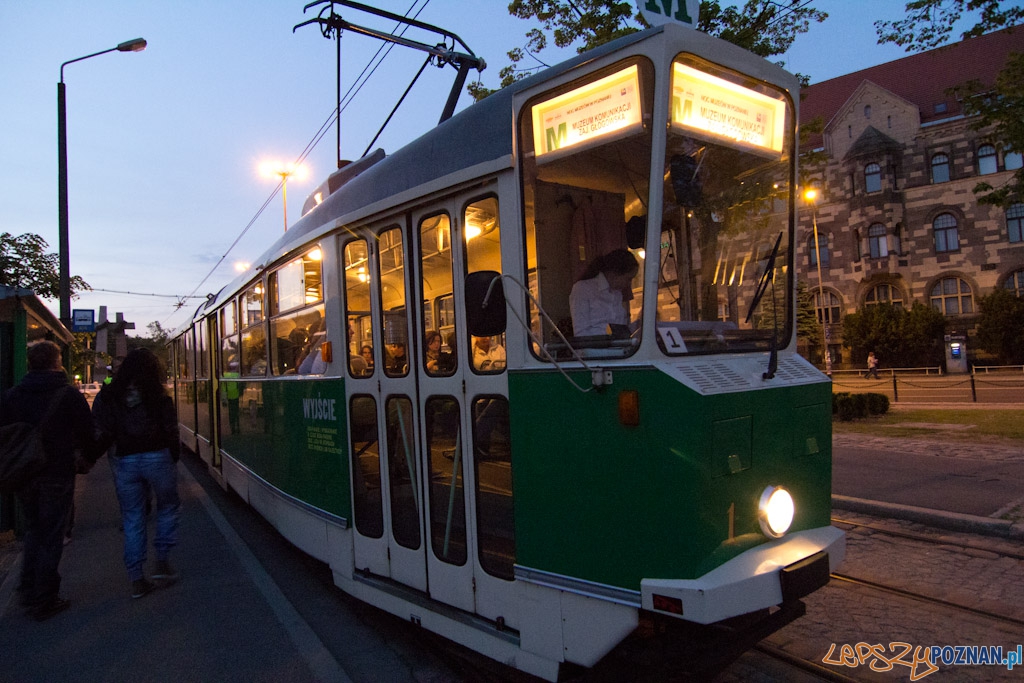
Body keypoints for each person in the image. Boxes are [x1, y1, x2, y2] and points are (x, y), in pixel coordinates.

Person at [0, 340, 100, 621]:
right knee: (52, 534)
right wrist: (87, 460)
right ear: (57, 363)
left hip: (23, 474)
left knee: (34, 530)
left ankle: (27, 589)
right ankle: (44, 599)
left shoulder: (11, 396)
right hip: (57, 472)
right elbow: (87, 432)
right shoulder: (67, 395)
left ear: (30, 363)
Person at [92, 347, 181, 600]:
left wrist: (91, 457)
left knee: (132, 517)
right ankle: (162, 561)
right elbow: (170, 429)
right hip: (157, 456)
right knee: (168, 507)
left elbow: (102, 429)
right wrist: (172, 456)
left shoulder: (111, 395)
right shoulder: (158, 395)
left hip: (125, 460)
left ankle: (136, 579)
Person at [569, 248, 639, 337]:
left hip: (618, 347)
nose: (629, 284)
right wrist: (611, 333)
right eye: (628, 279)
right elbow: (581, 333)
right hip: (594, 348)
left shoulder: (617, 294)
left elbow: (621, 327)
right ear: (614, 273)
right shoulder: (583, 289)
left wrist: (639, 326)